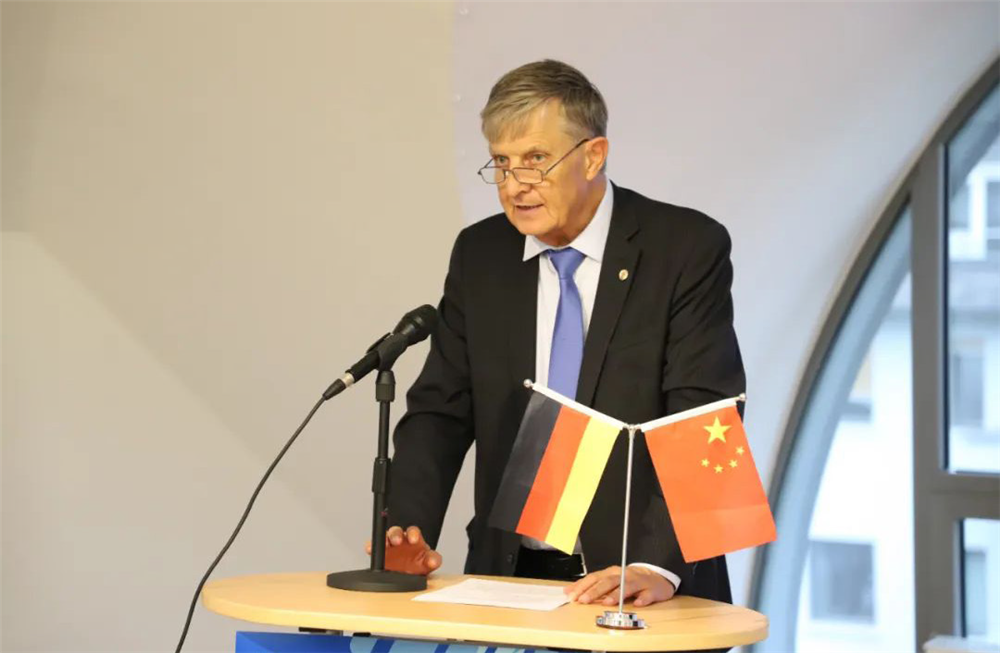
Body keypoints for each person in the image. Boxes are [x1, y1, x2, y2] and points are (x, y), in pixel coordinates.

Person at [367, 59, 745, 607]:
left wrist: (655, 565)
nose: (514, 186)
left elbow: (705, 418)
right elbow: (440, 411)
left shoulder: (683, 248)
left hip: (642, 585)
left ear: (593, 156)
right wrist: (406, 531)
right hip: (512, 580)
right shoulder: (481, 255)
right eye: (502, 163)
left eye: (536, 160)